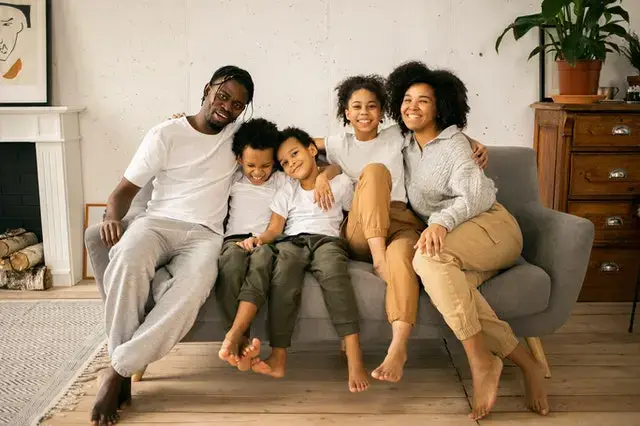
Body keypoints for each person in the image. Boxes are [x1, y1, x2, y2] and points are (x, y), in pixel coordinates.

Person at [91, 65, 254, 426]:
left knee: (192, 288)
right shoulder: (165, 133)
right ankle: (123, 368)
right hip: (157, 223)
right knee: (127, 261)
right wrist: (110, 217)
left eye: (238, 105)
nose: (227, 107)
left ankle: (116, 371)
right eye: (222, 95)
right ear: (207, 89)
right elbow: (123, 192)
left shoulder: (239, 139)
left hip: (205, 234)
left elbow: (298, 143)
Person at [386, 60, 549, 420]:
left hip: (491, 227)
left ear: (440, 106)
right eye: (407, 98)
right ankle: (526, 363)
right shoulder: (404, 145)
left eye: (423, 101)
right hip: (460, 239)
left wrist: (441, 223)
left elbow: (474, 197)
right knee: (450, 285)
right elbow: (353, 140)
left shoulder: (456, 145)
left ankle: (479, 361)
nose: (412, 106)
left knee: (427, 259)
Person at [312, 75, 488, 382]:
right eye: (356, 107)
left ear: (383, 112)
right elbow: (294, 146)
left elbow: (437, 135)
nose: (364, 113)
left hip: (402, 222)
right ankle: (379, 258)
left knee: (406, 254)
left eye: (372, 106)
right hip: (361, 228)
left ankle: (399, 347)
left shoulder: (397, 135)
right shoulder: (338, 144)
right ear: (346, 112)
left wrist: (473, 142)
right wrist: (320, 174)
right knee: (376, 172)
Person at [245, 127, 369, 393]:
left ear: (312, 150)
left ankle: (354, 354)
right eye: (285, 162)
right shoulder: (287, 190)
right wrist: (258, 240)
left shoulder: (340, 183)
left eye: (295, 154)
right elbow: (275, 229)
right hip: (293, 241)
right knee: (283, 275)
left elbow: (355, 215)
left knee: (335, 275)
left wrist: (329, 172)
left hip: (328, 240)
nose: (291, 164)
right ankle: (278, 356)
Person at [214, 118, 340, 371]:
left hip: (267, 240)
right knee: (231, 266)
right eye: (251, 165)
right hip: (234, 240)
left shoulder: (283, 180)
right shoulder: (232, 178)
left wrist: (325, 177)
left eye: (266, 165)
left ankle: (235, 340)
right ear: (239, 159)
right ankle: (242, 341)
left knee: (261, 263)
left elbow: (331, 166)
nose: (258, 172)